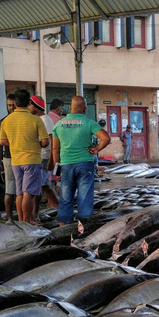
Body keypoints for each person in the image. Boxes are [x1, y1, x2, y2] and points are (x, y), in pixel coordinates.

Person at [51, 96, 110, 226]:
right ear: (85, 109)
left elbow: (55, 148)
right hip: (85, 164)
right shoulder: (89, 123)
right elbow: (106, 138)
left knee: (65, 197)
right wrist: (96, 149)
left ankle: (63, 227)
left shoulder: (59, 124)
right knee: (85, 198)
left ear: (70, 108)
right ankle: (84, 227)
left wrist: (58, 166)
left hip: (66, 164)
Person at [0, 88, 49, 224]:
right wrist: (34, 142)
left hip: (15, 161)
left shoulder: (6, 121)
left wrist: (16, 142)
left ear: (15, 103)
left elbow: (2, 141)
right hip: (31, 159)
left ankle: (21, 221)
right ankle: (27, 222)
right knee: (28, 193)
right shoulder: (36, 120)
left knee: (19, 193)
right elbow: (45, 142)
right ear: (28, 103)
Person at [29, 95, 59, 211]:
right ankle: (37, 212)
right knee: (41, 185)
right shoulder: (39, 119)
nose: (29, 107)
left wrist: (51, 159)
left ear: (36, 107)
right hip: (41, 156)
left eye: (30, 105)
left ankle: (60, 206)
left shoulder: (45, 120)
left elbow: (52, 140)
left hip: (43, 157)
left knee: (44, 185)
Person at [0, 93, 17, 221]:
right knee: (10, 189)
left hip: (22, 157)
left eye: (13, 105)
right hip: (9, 158)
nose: (11, 107)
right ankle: (10, 218)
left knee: (22, 191)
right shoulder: (2, 122)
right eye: (9, 105)